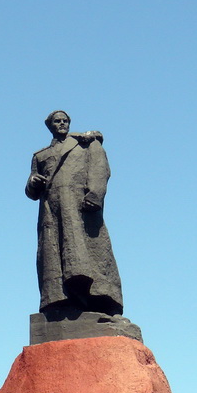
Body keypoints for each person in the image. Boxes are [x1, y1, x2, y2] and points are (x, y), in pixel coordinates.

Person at [25, 111, 123, 316]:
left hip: (80, 208)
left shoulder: (86, 143)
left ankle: (98, 300)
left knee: (87, 254)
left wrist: (95, 195)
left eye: (65, 120)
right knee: (54, 257)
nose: (62, 123)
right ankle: (60, 300)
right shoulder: (40, 155)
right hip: (51, 212)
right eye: (57, 121)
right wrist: (32, 182)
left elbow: (100, 169)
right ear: (50, 126)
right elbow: (31, 192)